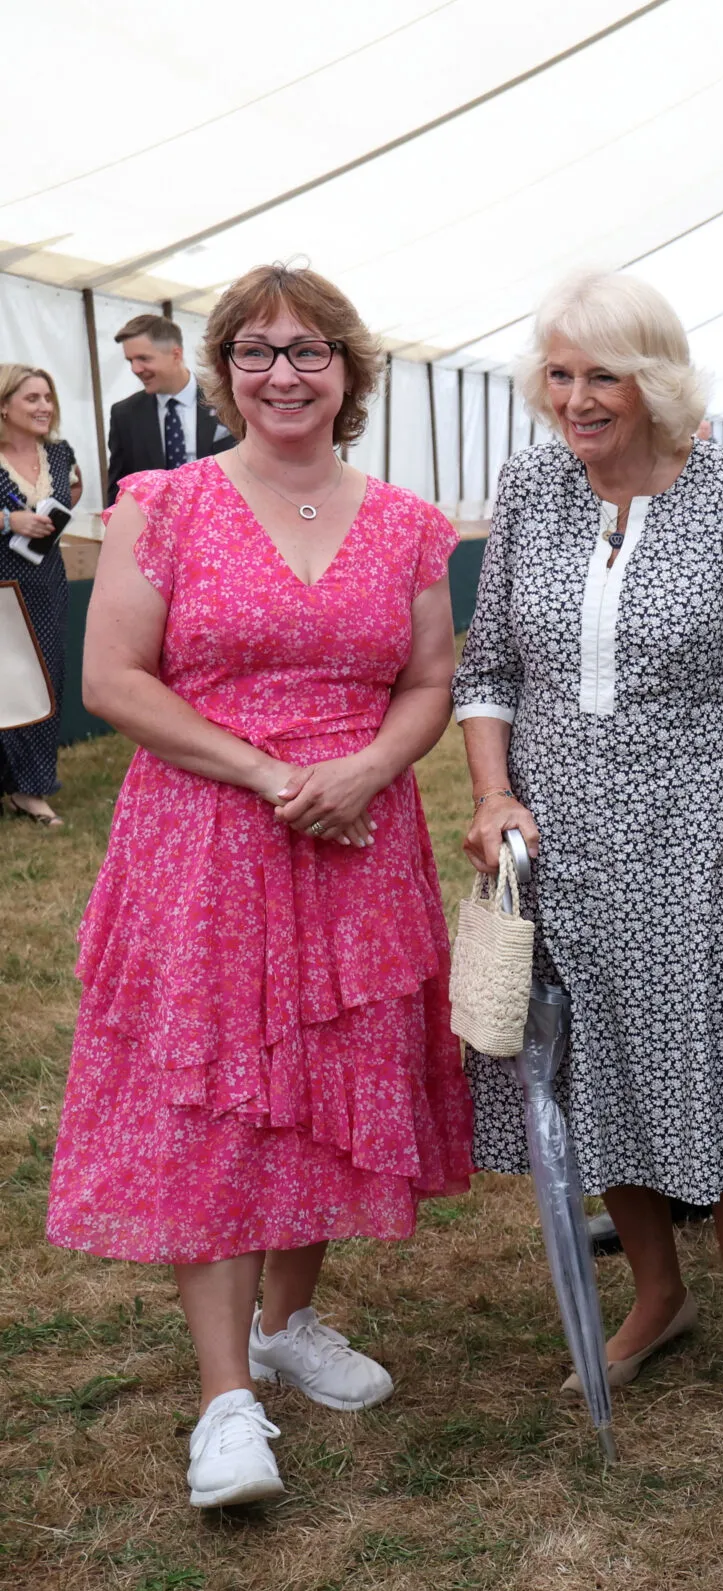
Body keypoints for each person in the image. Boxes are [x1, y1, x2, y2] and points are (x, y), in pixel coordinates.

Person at [47, 264, 473, 1510]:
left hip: (355, 836)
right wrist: (266, 770)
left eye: (309, 352)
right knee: (221, 1098)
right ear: (224, 367)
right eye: (255, 352)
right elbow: (116, 680)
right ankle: (224, 1397)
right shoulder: (163, 503)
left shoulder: (401, 522)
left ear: (349, 372)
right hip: (205, 837)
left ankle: (293, 1324)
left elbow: (429, 681)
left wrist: (368, 771)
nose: (282, 374)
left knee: (328, 1077)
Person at [454, 271, 723, 1460]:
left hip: (695, 840)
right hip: (560, 838)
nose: (574, 399)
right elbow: (487, 672)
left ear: (653, 381)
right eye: (557, 374)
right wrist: (493, 792)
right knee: (594, 1076)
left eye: (600, 375)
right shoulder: (528, 483)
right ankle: (656, 1296)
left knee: (722, 1088)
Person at [0, 364, 82, 826]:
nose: (44, 407)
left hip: (45, 583)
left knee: (44, 683)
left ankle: (31, 790)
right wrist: (9, 521)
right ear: (3, 405)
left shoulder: (59, 453)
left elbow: (73, 489)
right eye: (32, 398)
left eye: (47, 398)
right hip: (0, 585)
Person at [104, 313, 234, 500]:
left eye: (143, 358)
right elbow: (119, 491)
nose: (135, 369)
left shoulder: (226, 399)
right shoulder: (125, 415)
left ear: (176, 354)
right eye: (130, 360)